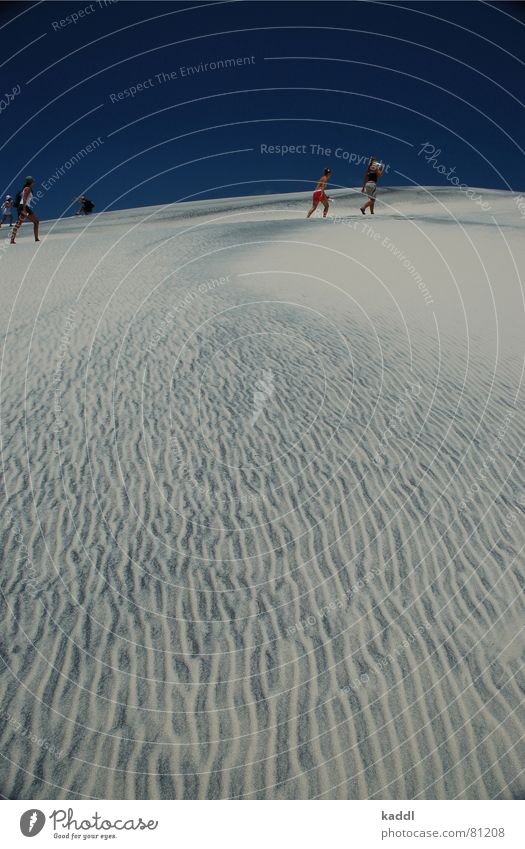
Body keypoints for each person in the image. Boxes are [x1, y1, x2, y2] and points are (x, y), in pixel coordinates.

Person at [10, 176, 39, 243]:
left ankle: (12, 240)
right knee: (36, 222)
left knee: (18, 224)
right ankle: (36, 238)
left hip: (22, 207)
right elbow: (25, 198)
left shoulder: (25, 189)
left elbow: (21, 197)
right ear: (31, 182)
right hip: (25, 207)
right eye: (33, 182)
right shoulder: (27, 189)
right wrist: (24, 209)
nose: (34, 183)